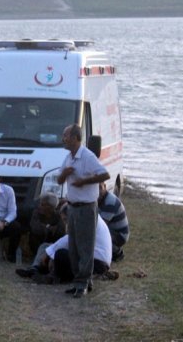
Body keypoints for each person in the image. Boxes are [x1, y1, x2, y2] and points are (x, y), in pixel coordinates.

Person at [57, 124, 110, 298]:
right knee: (73, 246)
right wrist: (65, 173)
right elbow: (59, 181)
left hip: (86, 208)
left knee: (86, 246)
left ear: (75, 138)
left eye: (65, 135)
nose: (63, 138)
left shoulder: (87, 156)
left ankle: (83, 283)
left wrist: (85, 181)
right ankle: (80, 281)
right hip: (72, 207)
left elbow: (105, 175)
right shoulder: (68, 158)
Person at [16, 210, 116, 285]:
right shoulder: (88, 216)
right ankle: (35, 270)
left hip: (96, 262)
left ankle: (53, 277)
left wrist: (49, 253)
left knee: (60, 254)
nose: (64, 223)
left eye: (65, 219)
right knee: (46, 246)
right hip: (88, 258)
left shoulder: (87, 219)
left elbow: (70, 239)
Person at [98, 182, 130, 262]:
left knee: (98, 236)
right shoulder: (99, 199)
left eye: (100, 188)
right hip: (111, 231)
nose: (98, 191)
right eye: (95, 188)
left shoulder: (110, 202)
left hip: (120, 235)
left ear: (105, 186)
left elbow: (100, 226)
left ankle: (117, 253)